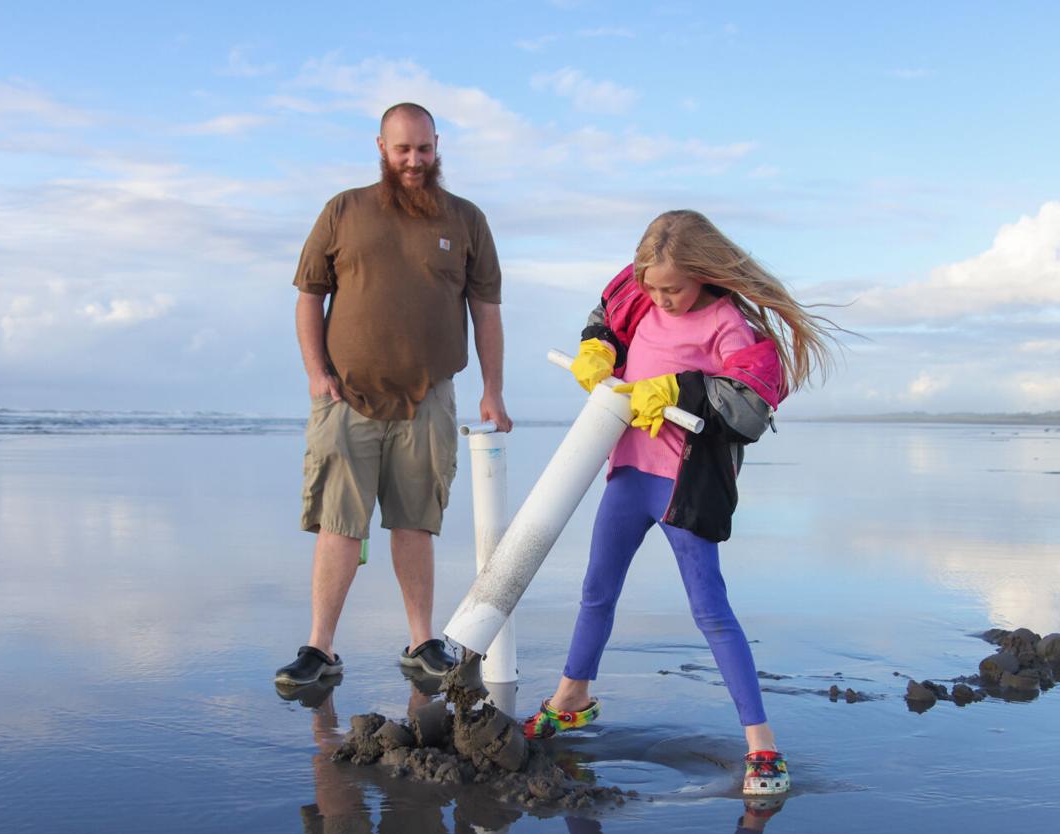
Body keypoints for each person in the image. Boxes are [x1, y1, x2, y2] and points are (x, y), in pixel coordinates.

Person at [523, 210, 840, 798]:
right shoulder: (639, 301)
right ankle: (573, 698)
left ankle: (763, 745)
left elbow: (748, 410)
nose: (661, 299)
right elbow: (607, 327)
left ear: (703, 274)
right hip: (626, 472)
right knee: (596, 590)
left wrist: (678, 388)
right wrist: (596, 350)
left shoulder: (725, 323)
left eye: (674, 288)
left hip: (682, 484)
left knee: (710, 610)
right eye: (652, 286)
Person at [275, 102, 512, 689]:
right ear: (380, 146)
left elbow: (485, 310)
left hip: (429, 394)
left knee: (415, 521)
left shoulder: (466, 219)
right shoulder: (343, 210)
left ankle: (421, 640)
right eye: (402, 149)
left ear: (439, 146)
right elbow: (309, 295)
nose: (414, 161)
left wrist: (493, 390)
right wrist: (315, 373)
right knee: (339, 523)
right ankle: (319, 649)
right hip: (344, 394)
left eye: (424, 149)